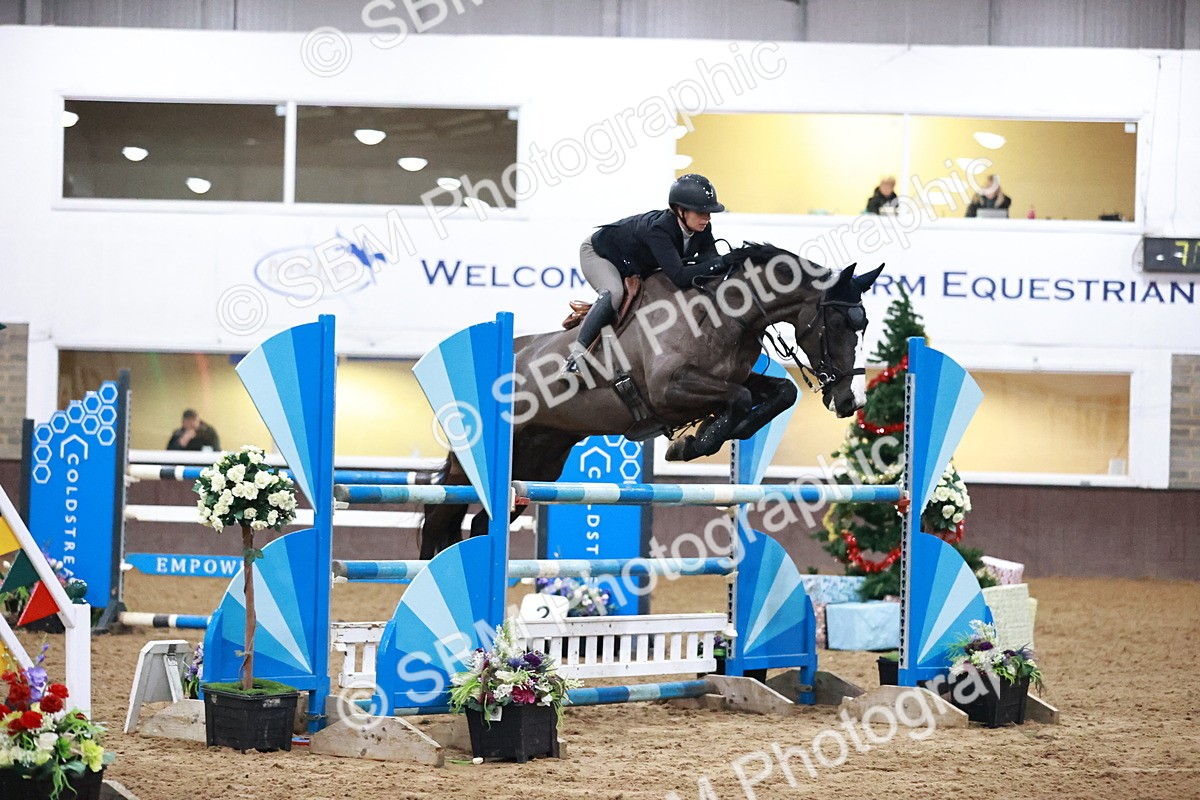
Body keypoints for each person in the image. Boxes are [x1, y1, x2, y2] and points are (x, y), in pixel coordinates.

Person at [563, 174, 738, 374]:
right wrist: (721, 262)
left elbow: (710, 264)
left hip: (634, 263)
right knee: (614, 292)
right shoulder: (659, 229)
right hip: (600, 254)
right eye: (701, 212)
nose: (707, 218)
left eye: (709, 213)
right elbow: (680, 276)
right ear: (680, 211)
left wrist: (724, 264)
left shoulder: (702, 228)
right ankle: (575, 357)